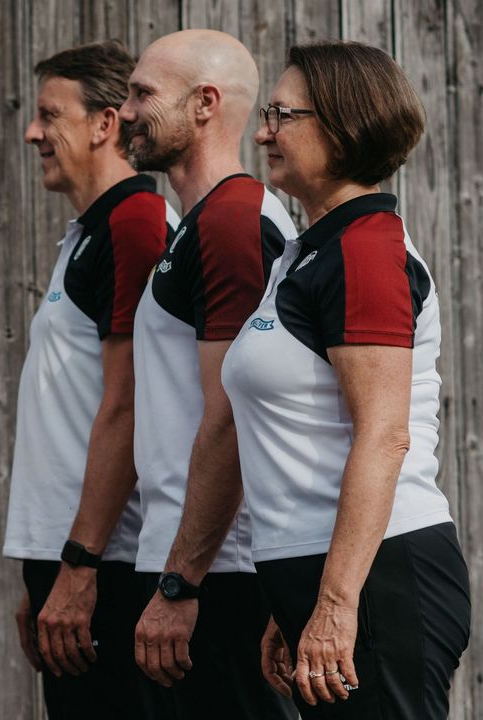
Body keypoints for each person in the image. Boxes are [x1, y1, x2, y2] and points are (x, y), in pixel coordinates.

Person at [224, 41, 469, 719]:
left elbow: (385, 434)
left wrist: (334, 603)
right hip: (328, 575)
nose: (263, 131)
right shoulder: (312, 250)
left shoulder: (364, 251)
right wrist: (291, 603)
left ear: (343, 124)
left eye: (282, 115)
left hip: (382, 580)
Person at [116, 29, 297, 718]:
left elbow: (232, 418)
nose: (126, 112)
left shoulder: (231, 224)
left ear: (204, 105)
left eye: (142, 94)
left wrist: (180, 586)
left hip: (220, 579)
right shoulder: (202, 224)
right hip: (192, 570)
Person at [4, 40, 176, 719]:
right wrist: (48, 569)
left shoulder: (135, 223)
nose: (33, 132)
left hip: (110, 567)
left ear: (106, 124)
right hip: (76, 560)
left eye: (50, 115)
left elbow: (130, 404)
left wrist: (77, 568)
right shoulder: (89, 232)